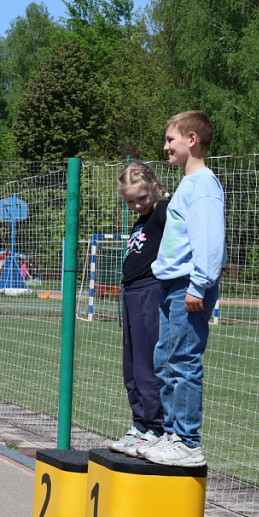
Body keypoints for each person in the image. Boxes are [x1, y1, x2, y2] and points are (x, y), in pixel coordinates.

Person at [138, 110, 225, 468]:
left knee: (184, 362)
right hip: (171, 285)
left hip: (188, 286)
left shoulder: (203, 184)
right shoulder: (188, 184)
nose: (165, 146)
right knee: (166, 360)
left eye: (170, 139)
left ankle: (188, 441)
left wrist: (199, 285)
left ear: (191, 139)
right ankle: (172, 433)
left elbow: (209, 239)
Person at [109, 163, 168, 458]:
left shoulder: (163, 210)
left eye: (141, 198)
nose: (136, 205)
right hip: (131, 294)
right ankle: (139, 424)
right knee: (131, 367)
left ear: (155, 187)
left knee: (147, 365)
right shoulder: (140, 221)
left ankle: (156, 428)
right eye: (130, 201)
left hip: (150, 291)